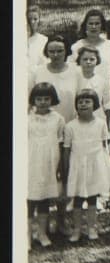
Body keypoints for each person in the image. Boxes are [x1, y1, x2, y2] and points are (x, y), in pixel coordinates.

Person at [61, 89, 110, 243]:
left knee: (92, 197)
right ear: (76, 106)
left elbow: (104, 148)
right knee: (78, 198)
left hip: (95, 164)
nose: (83, 104)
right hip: (78, 165)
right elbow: (66, 150)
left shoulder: (100, 123)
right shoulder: (71, 126)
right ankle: (77, 229)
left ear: (95, 105)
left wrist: (107, 168)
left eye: (87, 101)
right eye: (80, 102)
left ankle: (92, 227)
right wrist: (66, 170)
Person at [27, 83, 65, 249]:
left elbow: (61, 142)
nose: (42, 102)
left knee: (44, 198)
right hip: (31, 163)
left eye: (46, 99)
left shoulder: (58, 119)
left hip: (49, 162)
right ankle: (27, 234)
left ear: (52, 100)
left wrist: (60, 167)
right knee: (29, 199)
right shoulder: (27, 119)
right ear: (33, 100)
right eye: (39, 99)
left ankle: (42, 233)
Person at [71, 9, 110, 114]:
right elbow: (71, 76)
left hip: (104, 98)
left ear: (102, 26)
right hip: (82, 99)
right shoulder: (76, 47)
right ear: (85, 26)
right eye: (91, 24)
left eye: (97, 23)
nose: (94, 27)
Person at [30, 36, 82, 131]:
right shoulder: (37, 72)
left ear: (66, 51)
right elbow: (30, 101)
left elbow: (82, 98)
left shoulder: (76, 71)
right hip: (43, 127)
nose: (55, 55)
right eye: (51, 51)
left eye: (60, 51)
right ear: (46, 52)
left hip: (70, 125)